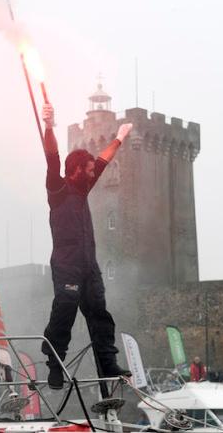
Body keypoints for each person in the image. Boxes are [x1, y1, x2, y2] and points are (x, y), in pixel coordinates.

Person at [39, 103, 133, 389]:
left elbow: (103, 160)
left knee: (100, 314)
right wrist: (49, 126)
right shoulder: (57, 189)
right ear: (77, 169)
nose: (94, 174)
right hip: (67, 265)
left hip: (89, 266)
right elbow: (52, 156)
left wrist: (119, 137)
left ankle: (108, 364)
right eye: (89, 170)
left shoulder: (83, 188)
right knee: (65, 309)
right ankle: (55, 364)